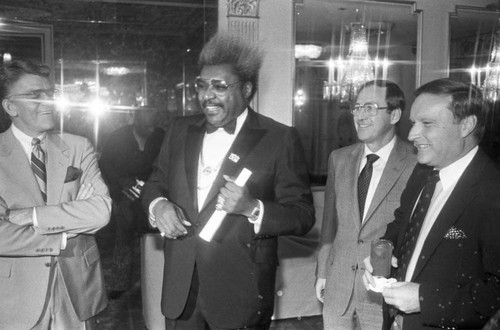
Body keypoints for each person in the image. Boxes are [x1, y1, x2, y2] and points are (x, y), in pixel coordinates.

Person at [141, 33, 315, 329]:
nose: (206, 95)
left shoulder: (279, 138)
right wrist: (158, 206)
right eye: (201, 85)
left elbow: (302, 214)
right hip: (181, 289)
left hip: (241, 290)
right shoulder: (180, 129)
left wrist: (252, 208)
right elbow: (155, 182)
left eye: (219, 86)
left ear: (246, 90)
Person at [363, 78, 500, 329]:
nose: (413, 134)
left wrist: (425, 300)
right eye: (414, 123)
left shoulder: (493, 191)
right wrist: (383, 253)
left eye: (427, 124)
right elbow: (401, 223)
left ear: (466, 125)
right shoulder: (423, 172)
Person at [0, 58, 111, 329]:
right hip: (16, 295)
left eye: (50, 94)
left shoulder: (77, 146)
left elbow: (100, 211)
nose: (48, 101)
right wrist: (64, 233)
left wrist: (31, 215)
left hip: (78, 292)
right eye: (35, 95)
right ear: (10, 106)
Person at [315, 80, 417, 329]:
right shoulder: (339, 159)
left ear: (394, 114)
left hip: (383, 292)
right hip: (338, 286)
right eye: (357, 107)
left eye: (370, 108)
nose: (359, 115)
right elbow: (330, 224)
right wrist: (322, 272)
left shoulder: (416, 163)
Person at [99, 108, 165, 299]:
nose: (151, 129)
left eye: (153, 124)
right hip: (125, 194)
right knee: (124, 238)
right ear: (136, 122)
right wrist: (121, 184)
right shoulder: (117, 137)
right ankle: (120, 283)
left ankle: (157, 281)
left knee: (157, 238)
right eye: (147, 125)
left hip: (153, 192)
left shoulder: (161, 136)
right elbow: (105, 164)